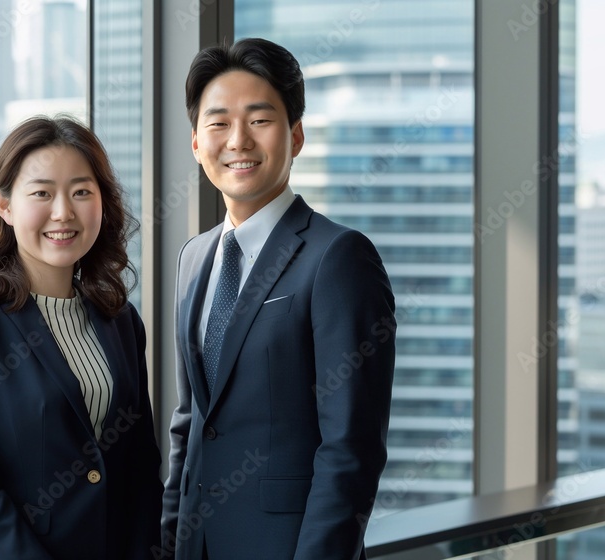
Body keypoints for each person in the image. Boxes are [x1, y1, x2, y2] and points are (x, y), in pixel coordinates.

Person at [160, 38, 397, 559]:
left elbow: (351, 449)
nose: (238, 140)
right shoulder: (194, 258)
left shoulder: (338, 258)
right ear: (197, 143)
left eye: (259, 120)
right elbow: (191, 424)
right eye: (218, 123)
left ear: (296, 136)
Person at [0, 116, 162, 560]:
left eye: (81, 191)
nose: (63, 212)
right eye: (41, 193)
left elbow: (140, 471)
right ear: (5, 205)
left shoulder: (121, 321)